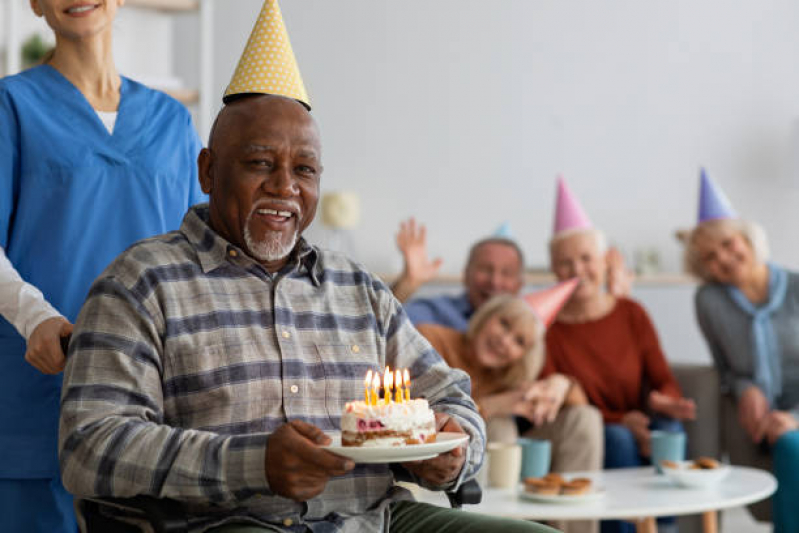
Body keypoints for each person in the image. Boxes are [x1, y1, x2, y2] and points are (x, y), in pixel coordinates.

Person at [58, 5, 557, 531]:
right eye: (259, 163)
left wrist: (455, 453)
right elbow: (89, 447)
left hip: (373, 521)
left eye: (305, 170)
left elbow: (451, 396)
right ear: (207, 171)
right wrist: (252, 464)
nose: (285, 187)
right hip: (226, 524)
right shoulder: (140, 284)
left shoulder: (359, 290)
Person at [0, 0, 206, 530]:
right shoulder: (12, 107)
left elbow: (198, 259)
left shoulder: (172, 122)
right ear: (36, 4)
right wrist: (35, 318)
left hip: (152, 396)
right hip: (39, 390)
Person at [543, 178, 695, 533]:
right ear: (553, 270)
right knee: (617, 438)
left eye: (586, 258)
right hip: (598, 426)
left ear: (603, 261)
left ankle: (665, 527)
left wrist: (666, 400)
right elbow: (567, 405)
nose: (577, 270)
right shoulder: (547, 327)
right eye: (565, 263)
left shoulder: (631, 313)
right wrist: (622, 419)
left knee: (669, 431)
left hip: (640, 418)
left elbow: (663, 379)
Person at [419, 293, 603, 533]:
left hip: (510, 468)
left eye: (519, 341)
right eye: (504, 324)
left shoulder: (513, 373)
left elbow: (579, 403)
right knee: (500, 426)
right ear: (486, 316)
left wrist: (562, 384)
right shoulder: (431, 338)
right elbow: (414, 412)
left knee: (585, 418)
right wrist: (492, 406)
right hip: (442, 461)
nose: (504, 342)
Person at [683, 171, 799, 533]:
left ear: (747, 238)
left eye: (729, 244)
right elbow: (725, 369)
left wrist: (794, 416)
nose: (725, 259)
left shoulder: (796, 287)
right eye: (710, 258)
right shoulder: (708, 301)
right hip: (756, 417)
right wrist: (745, 386)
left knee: (790, 444)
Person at [391, 217, 633, 330]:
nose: (495, 281)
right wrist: (408, 284)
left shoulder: (532, 322)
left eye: (506, 273)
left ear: (520, 283)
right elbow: (378, 326)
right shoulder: (437, 312)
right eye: (486, 270)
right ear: (466, 274)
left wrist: (615, 299)